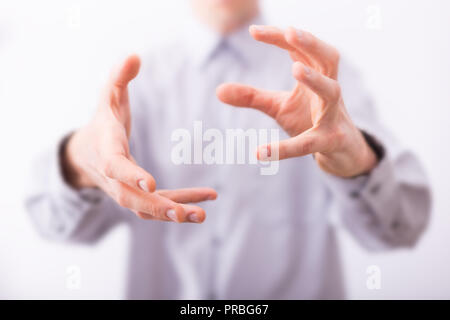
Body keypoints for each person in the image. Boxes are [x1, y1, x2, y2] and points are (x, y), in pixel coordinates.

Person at [25, 0, 431, 299]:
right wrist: (80, 161)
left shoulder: (322, 80)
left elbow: (399, 229)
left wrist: (356, 160)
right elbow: (54, 225)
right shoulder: (139, 82)